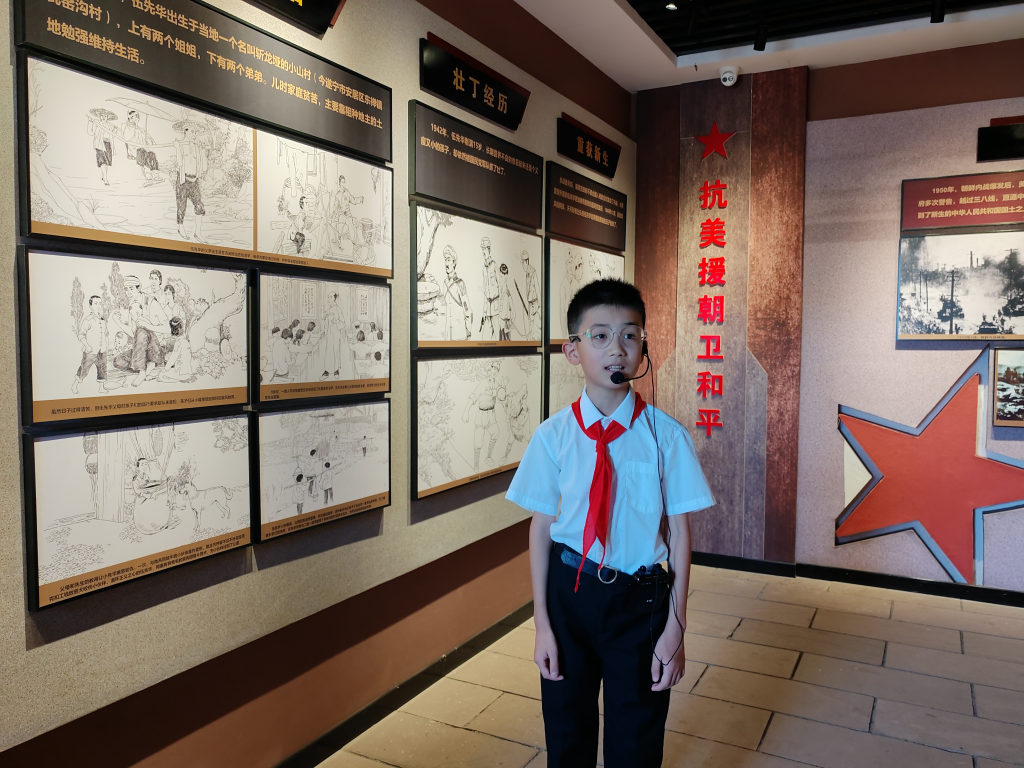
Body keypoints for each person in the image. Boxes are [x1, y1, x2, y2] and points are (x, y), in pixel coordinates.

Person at [505, 279, 714, 768]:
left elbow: (680, 535)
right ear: (572, 350)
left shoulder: (666, 437)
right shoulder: (552, 437)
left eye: (629, 335)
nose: (616, 349)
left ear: (643, 346)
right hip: (569, 593)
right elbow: (541, 529)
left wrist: (676, 627)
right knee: (567, 730)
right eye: (599, 336)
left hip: (640, 601)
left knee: (636, 738)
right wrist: (542, 624)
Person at [174, 125, 208, 242]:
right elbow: (179, 162)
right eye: (192, 132)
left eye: (195, 132)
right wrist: (177, 148)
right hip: (183, 180)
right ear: (186, 132)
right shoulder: (180, 145)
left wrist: (203, 152)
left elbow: (204, 168)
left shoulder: (197, 147)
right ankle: (181, 228)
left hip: (194, 180)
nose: (194, 134)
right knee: (181, 205)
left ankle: (198, 232)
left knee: (199, 206)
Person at [71, 295, 107, 395]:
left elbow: (105, 333)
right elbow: (81, 335)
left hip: (102, 350)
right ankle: (74, 386)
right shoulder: (88, 320)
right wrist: (87, 346)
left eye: (100, 303)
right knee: (84, 369)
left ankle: (101, 388)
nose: (98, 305)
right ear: (90, 306)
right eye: (96, 303)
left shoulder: (103, 320)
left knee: (102, 369)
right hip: (91, 350)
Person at [442, 245, 472, 341]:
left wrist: (468, 331)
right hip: (448, 335)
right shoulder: (444, 283)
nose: (446, 263)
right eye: (445, 260)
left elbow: (467, 310)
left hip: (460, 335)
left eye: (449, 260)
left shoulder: (460, 284)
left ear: (454, 262)